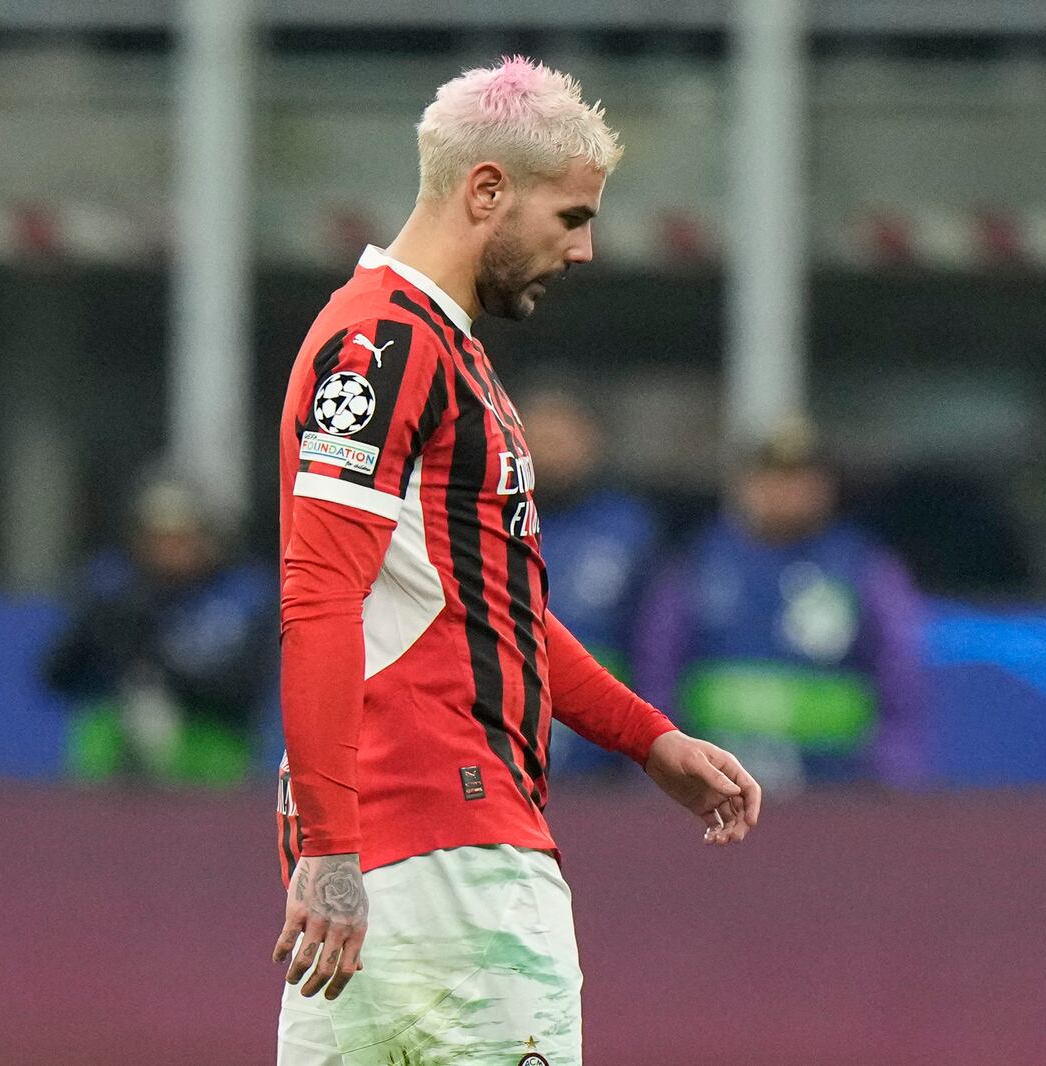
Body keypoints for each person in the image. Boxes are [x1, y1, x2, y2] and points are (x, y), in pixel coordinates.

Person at [271, 57, 762, 1065]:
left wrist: (646, 735)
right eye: (571, 217)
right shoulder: (384, 346)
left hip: (409, 848)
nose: (581, 250)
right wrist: (328, 846)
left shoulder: (434, 350)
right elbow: (319, 596)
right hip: (448, 849)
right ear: (487, 189)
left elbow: (486, 606)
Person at [636, 420, 931, 793]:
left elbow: (901, 675)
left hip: (835, 786)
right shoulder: (698, 562)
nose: (788, 493)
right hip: (716, 787)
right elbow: (657, 670)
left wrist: (893, 776)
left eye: (802, 481)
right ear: (747, 485)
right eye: (773, 479)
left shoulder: (863, 567)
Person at [42, 473, 276, 786]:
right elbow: (57, 676)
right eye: (157, 536)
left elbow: (247, 690)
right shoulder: (113, 588)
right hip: (121, 730)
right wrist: (102, 639)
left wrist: (164, 670)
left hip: (209, 735)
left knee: (208, 743)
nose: (168, 549)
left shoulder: (243, 595)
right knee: (101, 726)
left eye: (182, 536)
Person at [517, 387, 662, 777]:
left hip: (602, 750)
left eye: (564, 440)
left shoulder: (630, 528)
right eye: (541, 439)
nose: (552, 453)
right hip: (502, 738)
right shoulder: (487, 518)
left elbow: (656, 645)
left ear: (591, 442)